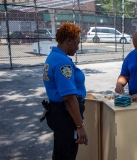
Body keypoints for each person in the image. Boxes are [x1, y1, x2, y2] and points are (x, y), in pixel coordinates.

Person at [42, 22, 88, 160]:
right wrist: (80, 126)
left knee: (60, 153)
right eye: (77, 42)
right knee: (66, 154)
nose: (78, 47)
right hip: (66, 117)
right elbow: (69, 98)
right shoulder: (62, 63)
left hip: (59, 114)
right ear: (69, 40)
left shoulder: (53, 57)